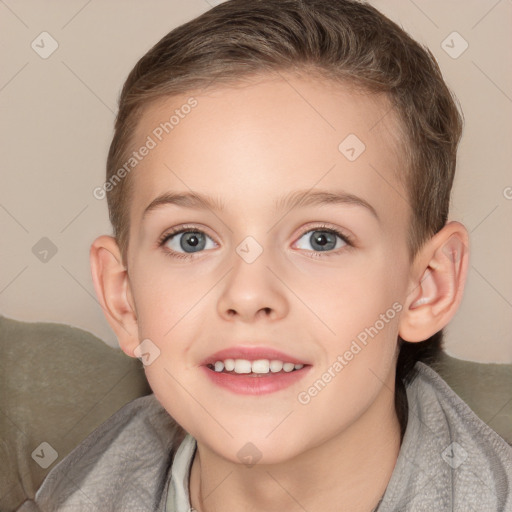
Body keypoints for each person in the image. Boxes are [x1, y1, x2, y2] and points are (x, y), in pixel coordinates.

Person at [17, 0, 512, 510]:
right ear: (124, 299)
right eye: (191, 239)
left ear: (428, 286)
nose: (248, 294)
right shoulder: (72, 490)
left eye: (322, 238)